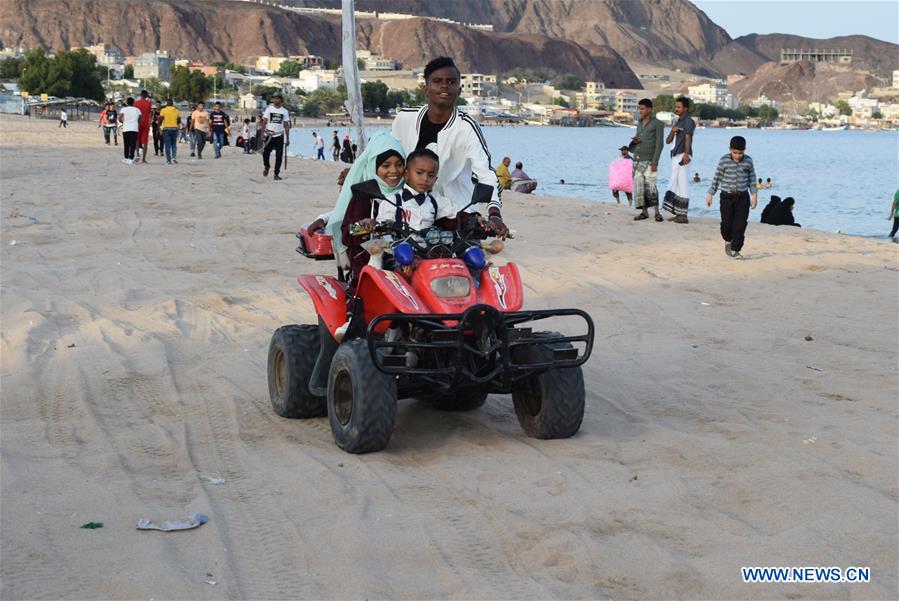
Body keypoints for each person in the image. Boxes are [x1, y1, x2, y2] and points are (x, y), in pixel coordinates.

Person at [390, 56, 508, 236]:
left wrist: (494, 213)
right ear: (426, 89)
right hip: (410, 211)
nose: (444, 86)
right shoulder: (404, 118)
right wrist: (355, 172)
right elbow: (386, 156)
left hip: (457, 214)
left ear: (459, 90)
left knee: (471, 261)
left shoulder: (467, 127)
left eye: (451, 82)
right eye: (437, 81)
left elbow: (485, 173)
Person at [324, 133, 407, 287]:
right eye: (386, 165)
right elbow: (348, 233)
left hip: (407, 260)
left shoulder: (409, 193)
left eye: (399, 164)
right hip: (368, 263)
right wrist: (364, 226)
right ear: (373, 166)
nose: (394, 171)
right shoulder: (363, 197)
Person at [706, 135, 758, 259]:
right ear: (730, 149)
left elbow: (752, 179)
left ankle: (735, 250)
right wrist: (710, 194)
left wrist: (754, 195)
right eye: (735, 152)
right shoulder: (723, 160)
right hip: (726, 197)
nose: (738, 156)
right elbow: (717, 177)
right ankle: (728, 240)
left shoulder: (748, 161)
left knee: (740, 225)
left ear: (744, 150)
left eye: (740, 153)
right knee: (726, 224)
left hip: (742, 198)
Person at [629, 98, 664, 222]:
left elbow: (660, 144)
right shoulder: (639, 123)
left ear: (650, 109)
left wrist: (655, 162)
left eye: (643, 108)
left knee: (652, 186)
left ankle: (657, 213)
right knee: (639, 186)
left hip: (650, 160)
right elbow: (638, 138)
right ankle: (644, 212)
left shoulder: (658, 124)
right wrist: (635, 141)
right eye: (640, 108)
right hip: (637, 159)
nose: (641, 111)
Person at [663, 96, 695, 223]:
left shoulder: (688, 121)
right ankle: (678, 213)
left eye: (679, 107)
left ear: (685, 108)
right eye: (676, 107)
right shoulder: (678, 121)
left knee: (683, 184)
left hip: (683, 155)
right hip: (676, 155)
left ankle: (684, 215)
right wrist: (673, 130)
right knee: (676, 183)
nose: (676, 109)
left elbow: (688, 138)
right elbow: (668, 141)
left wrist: (686, 155)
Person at [260, 93, 290, 180]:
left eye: (278, 98)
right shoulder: (269, 109)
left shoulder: (284, 111)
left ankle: (276, 174)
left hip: (279, 135)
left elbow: (286, 125)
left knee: (279, 156)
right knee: (265, 153)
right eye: (274, 98)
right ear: (272, 100)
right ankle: (267, 166)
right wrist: (262, 134)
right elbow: (264, 122)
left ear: (281, 100)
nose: (276, 100)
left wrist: (287, 138)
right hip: (269, 135)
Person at [118, 97, 142, 165]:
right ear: (133, 102)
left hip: (126, 128)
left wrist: (123, 122)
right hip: (134, 129)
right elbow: (140, 119)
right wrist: (136, 123)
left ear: (127, 102)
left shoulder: (123, 109)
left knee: (126, 144)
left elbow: (119, 118)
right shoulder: (137, 110)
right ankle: (131, 159)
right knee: (133, 144)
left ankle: (126, 158)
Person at [159, 98, 181, 165]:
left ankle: (168, 160)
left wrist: (159, 128)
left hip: (166, 129)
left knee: (167, 145)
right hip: (174, 128)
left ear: (166, 103)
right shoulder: (177, 111)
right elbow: (179, 121)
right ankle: (174, 158)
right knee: (174, 144)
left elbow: (161, 120)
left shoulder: (163, 110)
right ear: (172, 104)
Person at [134, 90, 153, 163]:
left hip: (138, 123)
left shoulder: (136, 103)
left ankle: (138, 154)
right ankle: (144, 159)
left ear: (141, 95)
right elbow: (150, 113)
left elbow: (135, 113)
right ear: (146, 96)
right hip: (146, 124)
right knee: (145, 142)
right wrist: (150, 121)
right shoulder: (149, 103)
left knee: (137, 140)